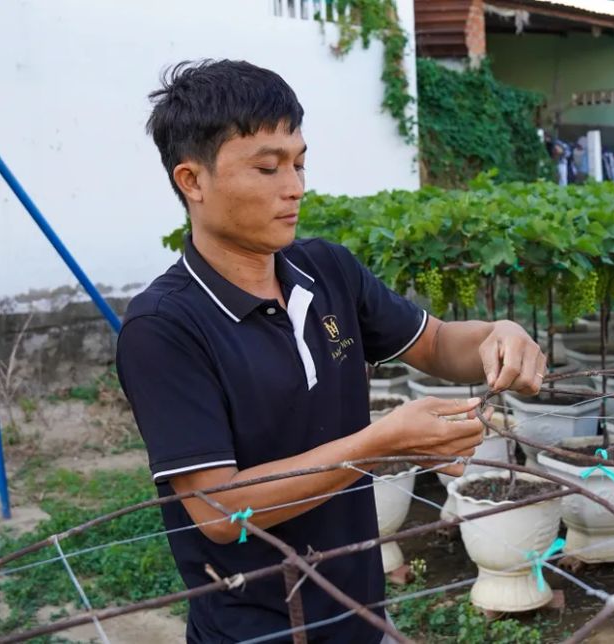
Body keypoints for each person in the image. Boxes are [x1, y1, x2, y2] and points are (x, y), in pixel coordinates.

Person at [116, 59, 546, 643]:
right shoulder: (164, 327)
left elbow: (436, 343)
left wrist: (499, 333)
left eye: (299, 163)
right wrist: (379, 444)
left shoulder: (325, 270)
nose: (294, 186)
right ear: (192, 181)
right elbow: (218, 510)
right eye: (267, 167)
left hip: (360, 606)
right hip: (262, 629)